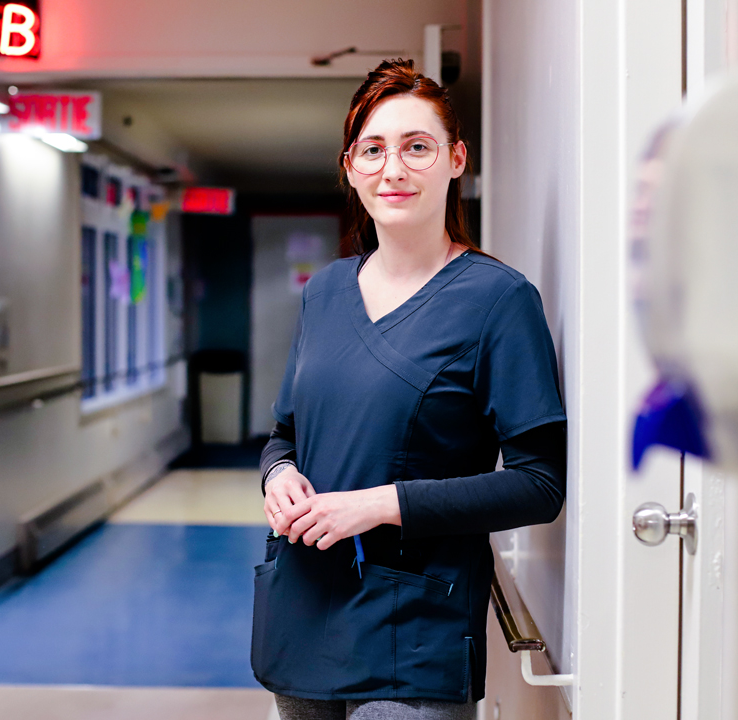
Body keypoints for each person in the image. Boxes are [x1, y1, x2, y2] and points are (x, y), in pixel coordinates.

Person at [252, 59, 567, 720]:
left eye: (415, 147)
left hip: (412, 635)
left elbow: (539, 484)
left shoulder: (497, 300)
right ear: (350, 167)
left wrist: (380, 505)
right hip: (303, 615)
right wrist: (277, 475)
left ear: (455, 159)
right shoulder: (327, 291)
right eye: (373, 150)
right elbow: (285, 433)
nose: (392, 169)